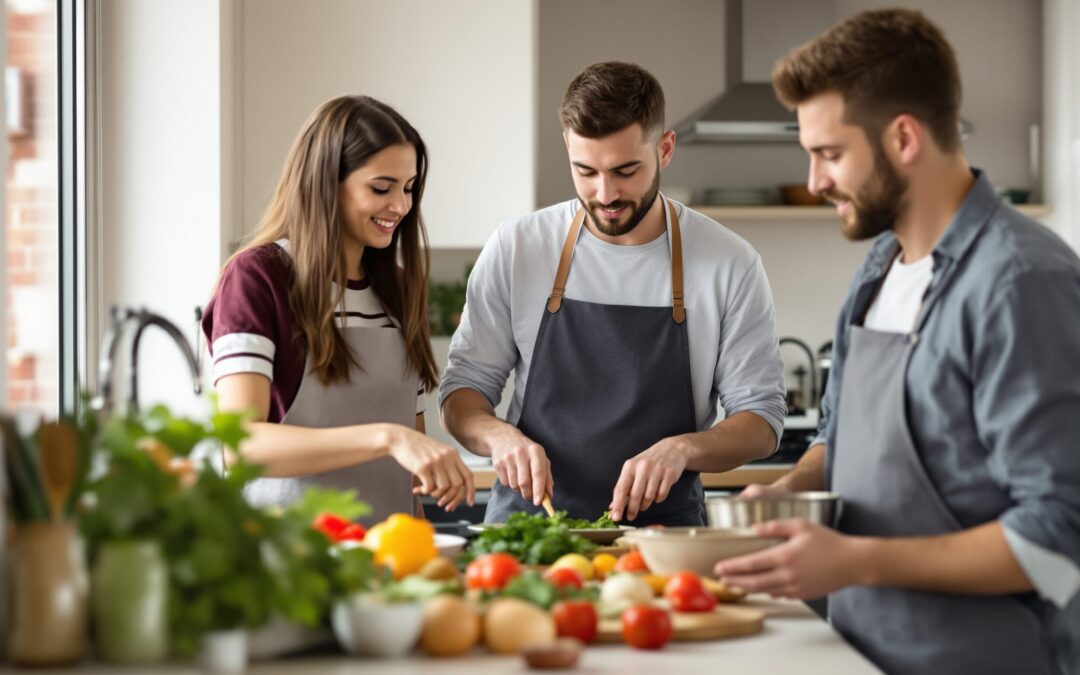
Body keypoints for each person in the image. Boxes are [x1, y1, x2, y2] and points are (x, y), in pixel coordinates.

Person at [713, 10, 1080, 674]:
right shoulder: (880, 266)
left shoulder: (1021, 283)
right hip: (862, 651)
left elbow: (1060, 537)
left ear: (904, 137)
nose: (817, 180)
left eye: (829, 153)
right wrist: (789, 487)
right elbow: (839, 436)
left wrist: (854, 558)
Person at [440, 62, 786, 526]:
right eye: (585, 171)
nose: (605, 194)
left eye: (625, 171)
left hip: (664, 542)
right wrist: (500, 437)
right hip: (531, 535)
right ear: (567, 146)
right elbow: (462, 394)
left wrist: (684, 449)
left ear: (664, 150)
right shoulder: (518, 247)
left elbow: (761, 421)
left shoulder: (729, 262)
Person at [202, 95, 475, 523]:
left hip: (393, 554)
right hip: (288, 558)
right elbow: (240, 447)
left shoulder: (402, 289)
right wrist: (386, 438)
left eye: (408, 188)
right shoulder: (259, 278)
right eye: (381, 188)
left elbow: (411, 453)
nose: (401, 206)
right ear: (325, 182)